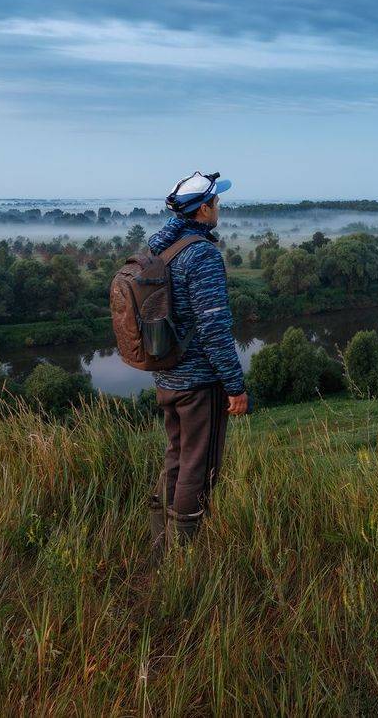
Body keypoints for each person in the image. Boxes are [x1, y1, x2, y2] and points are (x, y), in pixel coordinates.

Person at [147, 170, 249, 554]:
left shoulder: (161, 250)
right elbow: (214, 329)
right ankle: (184, 557)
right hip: (198, 384)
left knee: (175, 457)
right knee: (198, 467)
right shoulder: (201, 255)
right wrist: (235, 386)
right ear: (204, 209)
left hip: (167, 377)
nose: (219, 207)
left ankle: (161, 546)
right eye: (217, 202)